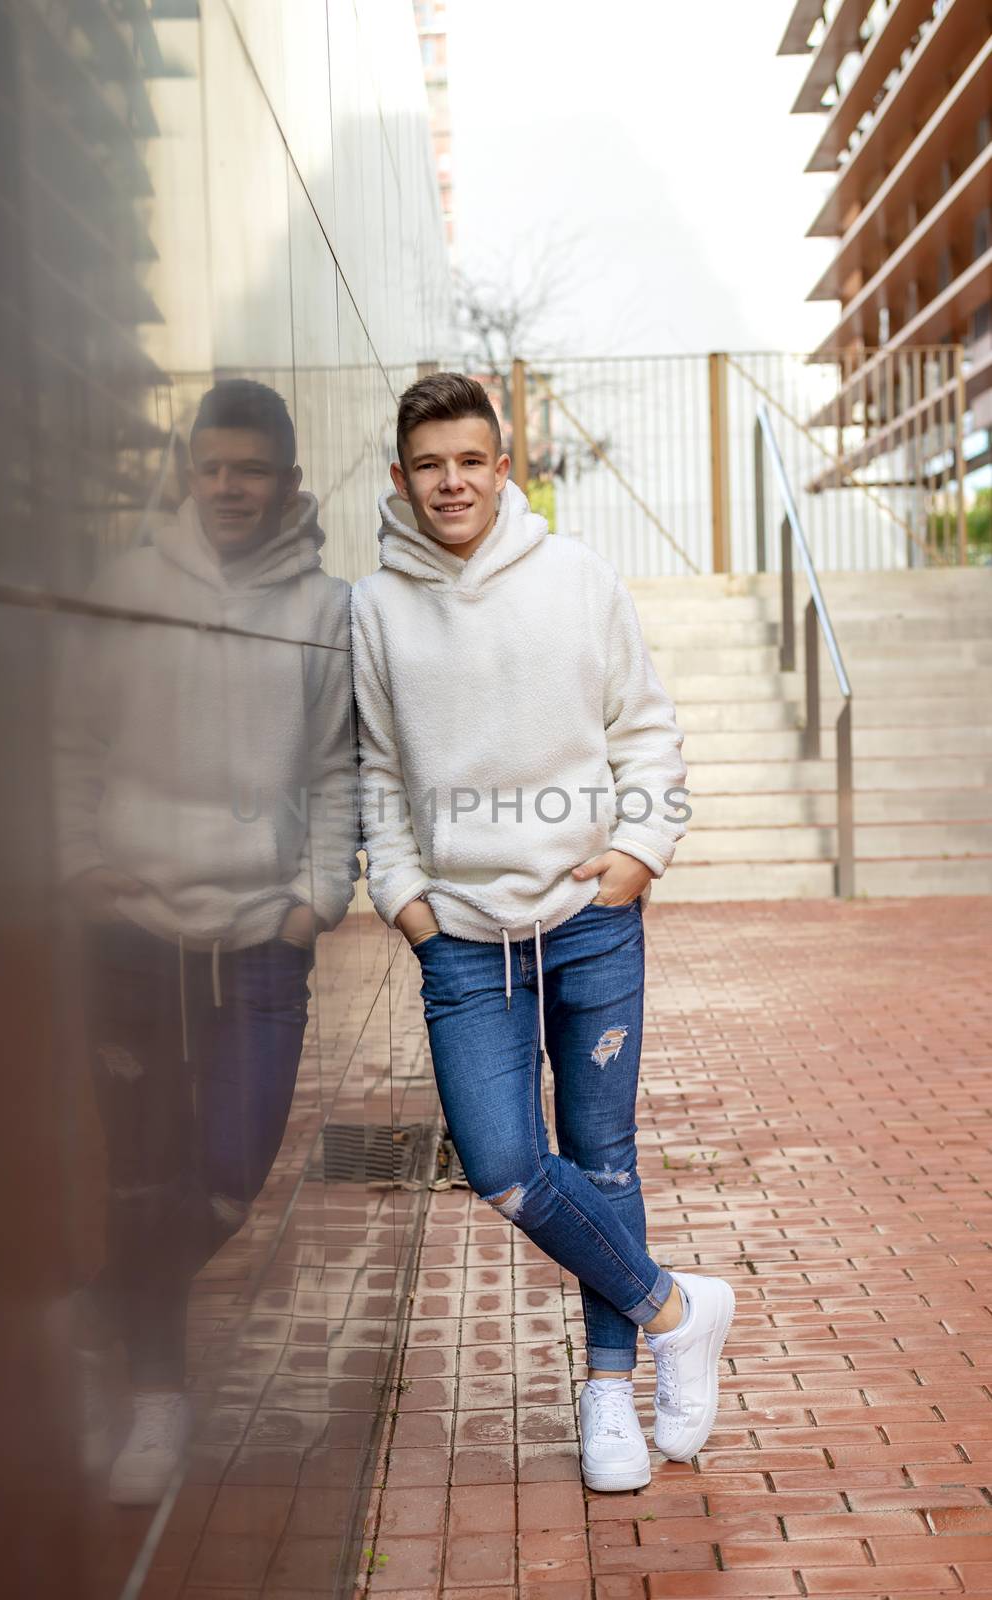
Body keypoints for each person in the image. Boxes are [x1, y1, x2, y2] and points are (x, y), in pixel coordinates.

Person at [351, 372, 734, 1492]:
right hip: (463, 938)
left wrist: (638, 855)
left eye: (471, 460)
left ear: (502, 465)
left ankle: (609, 1390)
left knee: (605, 1161)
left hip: (588, 920)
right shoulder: (374, 608)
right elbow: (376, 770)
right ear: (400, 477)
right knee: (507, 1164)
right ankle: (676, 1307)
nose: (452, 482)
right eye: (430, 465)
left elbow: (647, 731)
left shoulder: (576, 579)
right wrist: (408, 902)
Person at [54, 379, 357, 1504]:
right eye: (212, 466)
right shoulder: (127, 589)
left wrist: (315, 894)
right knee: (141, 1180)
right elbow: (70, 740)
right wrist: (79, 862)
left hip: (260, 937)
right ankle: (154, 1400)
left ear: (286, 478)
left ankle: (88, 1318)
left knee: (225, 1177)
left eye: (253, 469)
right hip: (133, 930)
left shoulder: (327, 606)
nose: (230, 487)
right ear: (190, 471)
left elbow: (337, 768)